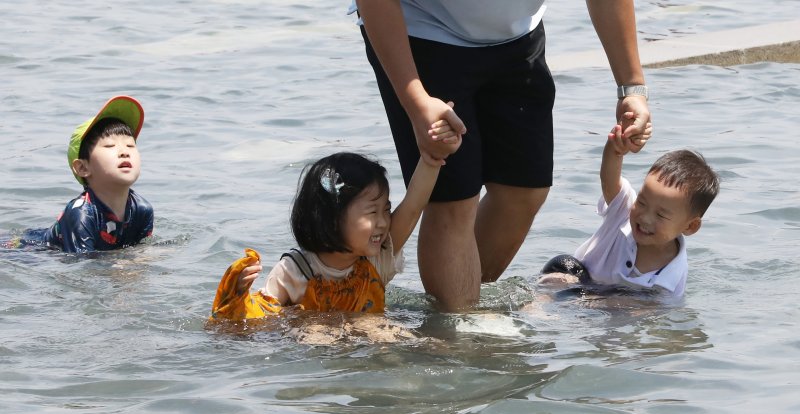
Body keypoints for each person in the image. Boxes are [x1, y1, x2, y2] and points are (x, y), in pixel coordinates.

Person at [353, 0, 652, 310]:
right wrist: (416, 102)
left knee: (524, 190)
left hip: (518, 39)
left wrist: (632, 89)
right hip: (423, 32)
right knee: (454, 202)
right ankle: (452, 334)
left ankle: (458, 311)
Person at [210, 119, 461, 320]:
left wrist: (432, 156)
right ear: (331, 218)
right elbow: (258, 318)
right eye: (372, 213)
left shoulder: (377, 258)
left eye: (386, 210)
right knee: (315, 334)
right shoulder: (294, 270)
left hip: (371, 345)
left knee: (384, 331)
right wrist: (239, 292)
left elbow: (414, 204)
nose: (384, 222)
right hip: (316, 351)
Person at [539, 118, 720, 297]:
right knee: (562, 266)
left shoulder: (671, 276)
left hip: (614, 305)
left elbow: (655, 314)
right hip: (576, 279)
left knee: (639, 301)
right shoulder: (624, 212)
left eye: (660, 215)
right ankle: (534, 309)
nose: (645, 217)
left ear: (690, 226)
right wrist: (616, 150)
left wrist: (600, 303)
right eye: (641, 202)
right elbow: (609, 180)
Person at [7, 95, 153, 253]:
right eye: (110, 146)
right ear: (83, 168)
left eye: (130, 145)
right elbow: (82, 267)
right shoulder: (81, 213)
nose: (124, 152)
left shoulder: (142, 209)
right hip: (30, 252)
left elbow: (141, 250)